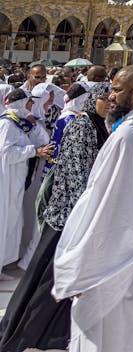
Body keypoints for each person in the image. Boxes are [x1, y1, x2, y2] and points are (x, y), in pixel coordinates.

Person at [52, 66, 133, 352]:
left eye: (117, 89)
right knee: (124, 328)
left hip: (110, 253)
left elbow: (103, 202)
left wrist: (79, 264)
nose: (111, 96)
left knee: (99, 331)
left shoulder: (128, 135)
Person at [0, 83, 110, 352]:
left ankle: (52, 334)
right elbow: (75, 174)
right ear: (91, 100)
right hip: (66, 217)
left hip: (76, 215)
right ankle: (23, 333)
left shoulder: (98, 125)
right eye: (104, 98)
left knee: (60, 280)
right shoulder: (82, 126)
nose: (109, 102)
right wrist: (80, 217)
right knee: (47, 281)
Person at [0, 90, 53, 278]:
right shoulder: (7, 124)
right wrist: (35, 151)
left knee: (11, 221)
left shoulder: (19, 124)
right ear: (20, 103)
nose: (32, 105)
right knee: (4, 221)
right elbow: (7, 154)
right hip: (6, 181)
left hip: (15, 180)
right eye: (29, 102)